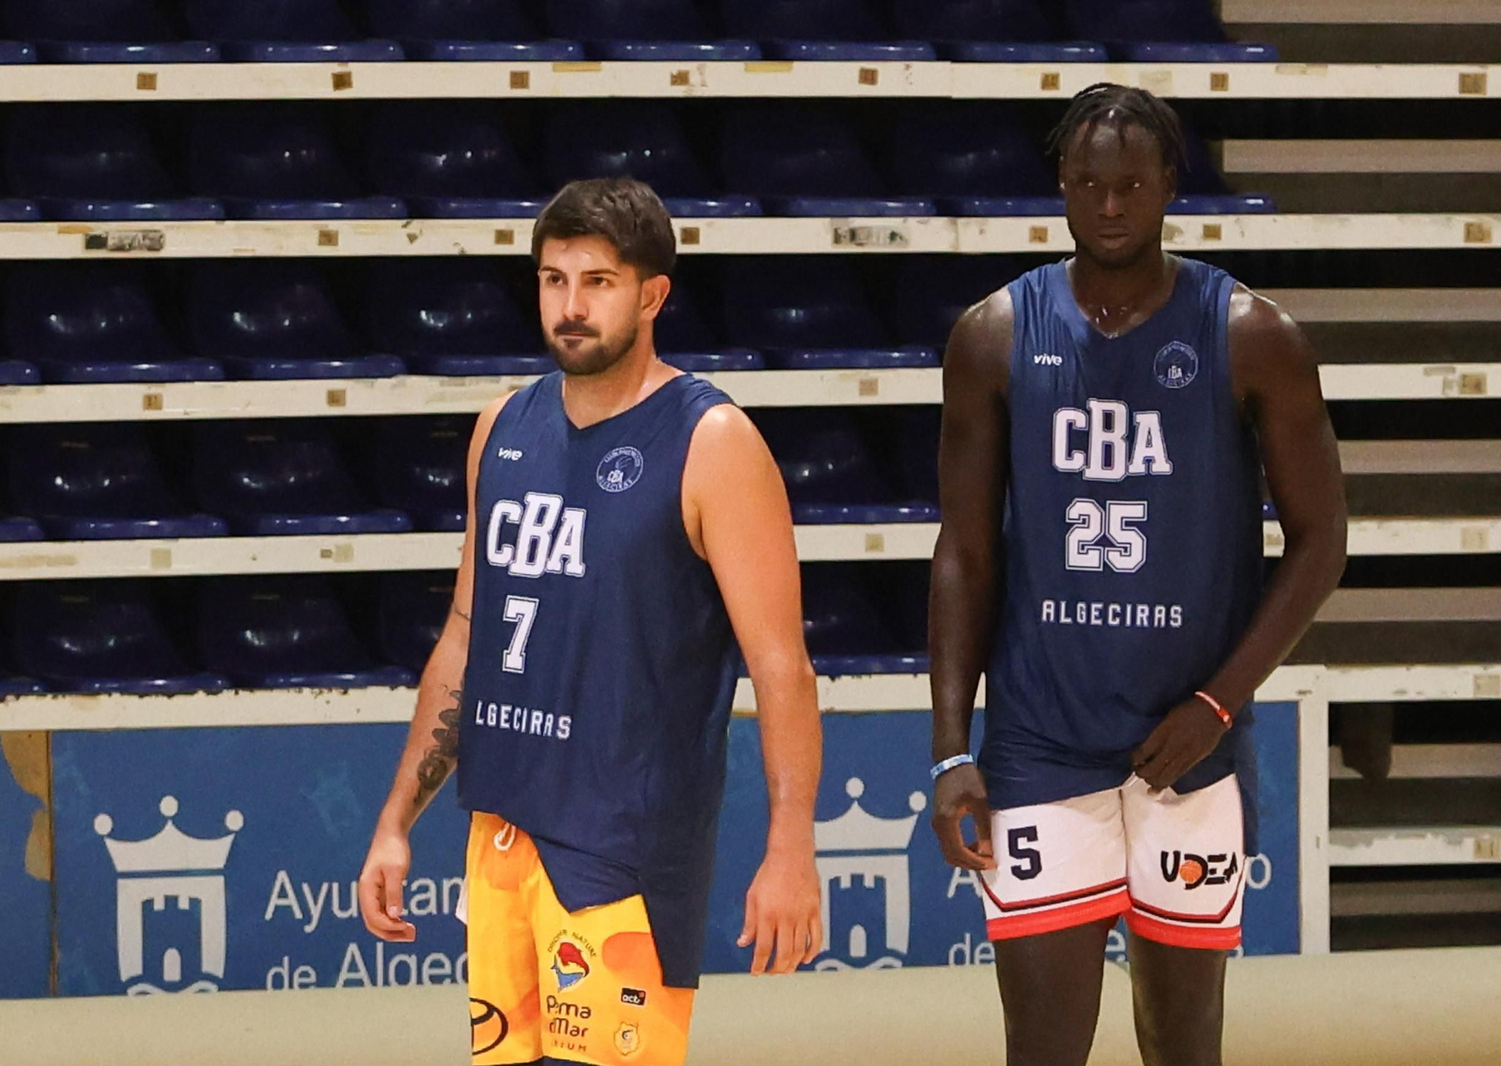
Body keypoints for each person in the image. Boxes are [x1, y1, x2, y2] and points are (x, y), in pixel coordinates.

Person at [357, 177, 823, 1066]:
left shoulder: (712, 441)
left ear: (653, 295)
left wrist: (790, 849)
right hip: (502, 832)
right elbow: (465, 633)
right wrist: (394, 819)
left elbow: (782, 668)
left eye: (598, 282)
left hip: (624, 849)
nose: (569, 307)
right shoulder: (503, 427)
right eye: (552, 279)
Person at [928, 84, 1347, 1066]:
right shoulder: (992, 334)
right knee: (1042, 1046)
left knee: (1181, 1043)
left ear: (1168, 185)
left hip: (1187, 745)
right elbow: (963, 550)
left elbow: (1323, 539)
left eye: (1128, 184)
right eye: (1086, 183)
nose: (1108, 204)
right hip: (1039, 744)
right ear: (1061, 189)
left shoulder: (1252, 335)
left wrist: (1219, 699)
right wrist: (951, 749)